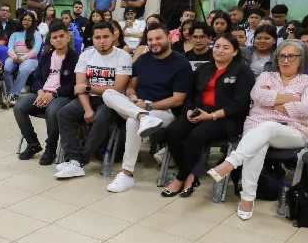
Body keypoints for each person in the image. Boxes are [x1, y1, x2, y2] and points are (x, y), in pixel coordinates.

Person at [209, 40, 308, 219]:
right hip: (256, 125)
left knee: (267, 127)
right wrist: (290, 98)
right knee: (259, 143)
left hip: (294, 131)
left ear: (301, 59)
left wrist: (275, 103)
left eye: (292, 56)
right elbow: (257, 95)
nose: (285, 60)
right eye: (282, 56)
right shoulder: (266, 76)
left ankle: (231, 163)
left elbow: (307, 107)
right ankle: (247, 199)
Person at [160, 33, 255, 198]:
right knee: (172, 132)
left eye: (226, 48)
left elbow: (240, 105)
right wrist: (189, 110)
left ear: (234, 52)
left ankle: (181, 178)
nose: (220, 51)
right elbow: (189, 95)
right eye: (217, 46)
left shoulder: (243, 72)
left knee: (196, 136)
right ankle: (189, 174)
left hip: (225, 117)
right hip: (200, 111)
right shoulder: (204, 69)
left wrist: (211, 116)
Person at [101, 24, 193, 192]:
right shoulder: (143, 59)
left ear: (168, 38)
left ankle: (126, 174)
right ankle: (143, 117)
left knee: (131, 122)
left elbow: (178, 100)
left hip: (163, 112)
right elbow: (130, 87)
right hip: (138, 106)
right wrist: (131, 97)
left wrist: (148, 106)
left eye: (158, 38)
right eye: (150, 39)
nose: (153, 43)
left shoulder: (181, 63)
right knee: (108, 93)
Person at [55, 22, 132, 179]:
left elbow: (116, 89)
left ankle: (81, 160)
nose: (102, 41)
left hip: (112, 102)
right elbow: (79, 87)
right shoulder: (86, 55)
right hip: (88, 100)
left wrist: (89, 89)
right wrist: (87, 108)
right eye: (98, 37)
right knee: (64, 113)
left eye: (105, 37)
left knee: (101, 116)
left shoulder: (123, 56)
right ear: (92, 39)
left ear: (113, 36)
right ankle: (73, 159)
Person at [14, 20, 79, 165]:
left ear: (68, 37)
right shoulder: (46, 56)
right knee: (19, 107)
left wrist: (53, 94)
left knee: (52, 110)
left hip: (62, 96)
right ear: (51, 40)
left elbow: (73, 84)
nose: (58, 40)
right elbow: (36, 78)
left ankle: (50, 149)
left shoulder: (75, 57)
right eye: (54, 37)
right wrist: (40, 92)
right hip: (42, 93)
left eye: (61, 36)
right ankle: (33, 144)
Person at [2, 13, 42, 108]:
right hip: (15, 57)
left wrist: (24, 57)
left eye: (29, 20)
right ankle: (11, 93)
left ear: (33, 22)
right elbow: (10, 48)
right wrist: (14, 56)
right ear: (21, 20)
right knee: (5, 68)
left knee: (23, 70)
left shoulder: (36, 33)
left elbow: (36, 50)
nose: (27, 22)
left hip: (30, 58)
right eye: (25, 19)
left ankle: (13, 95)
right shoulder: (15, 34)